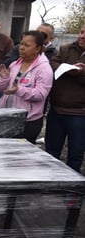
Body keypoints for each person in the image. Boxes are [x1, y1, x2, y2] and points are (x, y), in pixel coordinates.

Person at [0, 31, 53, 144]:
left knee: (20, 157)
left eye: (27, 45)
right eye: (21, 44)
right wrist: (4, 79)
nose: (22, 48)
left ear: (37, 48)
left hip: (27, 121)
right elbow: (1, 89)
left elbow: (40, 94)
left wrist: (19, 90)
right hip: (7, 116)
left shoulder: (44, 69)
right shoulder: (15, 64)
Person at [45, 24, 85, 174]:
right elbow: (53, 64)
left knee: (75, 153)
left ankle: (71, 189)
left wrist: (79, 72)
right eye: (81, 32)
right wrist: (70, 68)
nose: (82, 36)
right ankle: (50, 183)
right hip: (56, 110)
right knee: (51, 152)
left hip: (79, 114)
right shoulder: (65, 48)